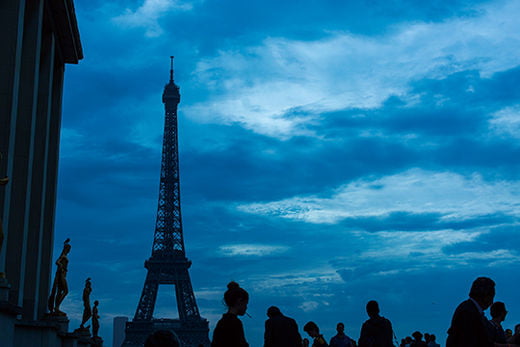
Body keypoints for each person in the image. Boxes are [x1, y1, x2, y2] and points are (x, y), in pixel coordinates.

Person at [446, 277, 496, 347]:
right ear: (486, 296)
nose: (491, 302)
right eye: (491, 297)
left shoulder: (467, 308)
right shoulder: (469, 313)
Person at [211, 281, 249, 347]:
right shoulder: (235, 323)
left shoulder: (221, 322)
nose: (246, 307)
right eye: (246, 304)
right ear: (239, 301)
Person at [48, 239, 71, 315]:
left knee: (59, 291)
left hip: (63, 274)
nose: (69, 251)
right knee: (65, 291)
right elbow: (57, 262)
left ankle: (57, 307)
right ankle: (57, 307)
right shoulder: (63, 255)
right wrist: (61, 266)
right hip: (61, 274)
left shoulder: (64, 255)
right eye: (68, 249)